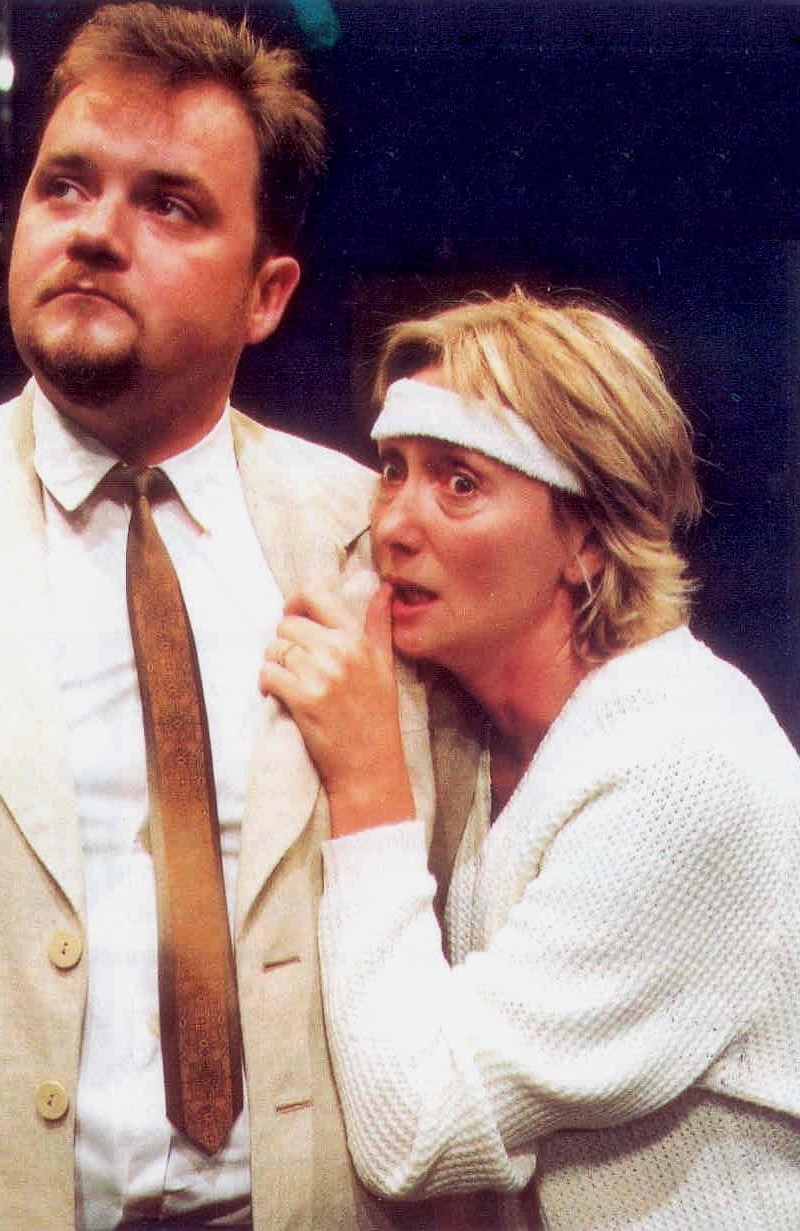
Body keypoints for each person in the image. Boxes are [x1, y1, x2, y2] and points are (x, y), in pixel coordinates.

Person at [0, 6, 471, 1229]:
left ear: (266, 294)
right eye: (66, 185)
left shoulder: (382, 545)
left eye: (170, 205)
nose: (95, 231)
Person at [261, 288, 800, 1228]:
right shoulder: (486, 741)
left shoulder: (682, 768)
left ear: (587, 538)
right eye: (392, 470)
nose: (393, 525)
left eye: (460, 483)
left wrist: (369, 780)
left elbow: (417, 1131)